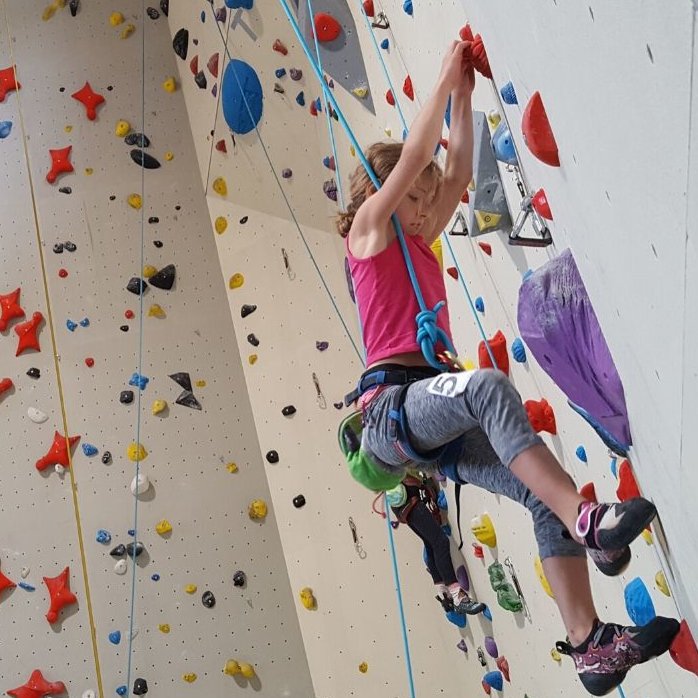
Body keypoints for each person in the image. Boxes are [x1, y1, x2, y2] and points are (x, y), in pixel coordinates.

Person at [337, 40, 679, 696]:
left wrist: (463, 94)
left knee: (537, 486)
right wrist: (439, 80)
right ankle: (590, 526)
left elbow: (458, 171)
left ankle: (590, 646)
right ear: (388, 194)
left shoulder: (414, 237)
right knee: (490, 388)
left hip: (426, 415)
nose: (429, 209)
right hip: (391, 412)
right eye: (418, 199)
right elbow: (414, 161)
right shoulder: (368, 234)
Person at [383, 473, 485, 617]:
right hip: (410, 500)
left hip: (403, 504)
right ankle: (458, 596)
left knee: (431, 543)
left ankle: (443, 592)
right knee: (440, 541)